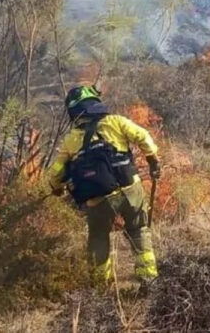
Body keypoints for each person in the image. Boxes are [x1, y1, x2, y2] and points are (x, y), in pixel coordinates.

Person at [46, 85, 160, 288]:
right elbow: (143, 137)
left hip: (98, 198)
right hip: (129, 189)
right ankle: (148, 278)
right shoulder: (116, 121)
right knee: (138, 229)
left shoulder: (72, 139)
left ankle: (100, 286)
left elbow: (56, 172)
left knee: (98, 237)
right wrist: (152, 160)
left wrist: (56, 188)